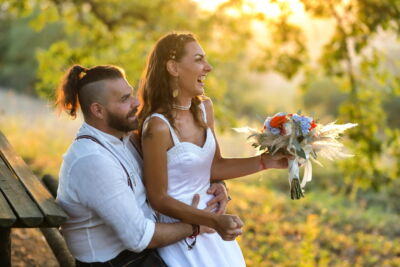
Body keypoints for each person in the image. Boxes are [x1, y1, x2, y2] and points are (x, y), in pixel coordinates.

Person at [55, 64, 242, 266]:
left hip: (142, 252)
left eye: (131, 94)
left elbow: (182, 166)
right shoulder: (92, 160)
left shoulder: (124, 139)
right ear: (98, 110)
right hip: (117, 262)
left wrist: (219, 184)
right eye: (124, 99)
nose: (136, 102)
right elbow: (140, 238)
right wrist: (198, 225)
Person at [138, 32, 292, 267]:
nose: (208, 67)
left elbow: (215, 166)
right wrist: (210, 221)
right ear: (173, 67)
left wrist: (265, 162)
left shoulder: (204, 109)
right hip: (181, 233)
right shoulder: (158, 126)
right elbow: (158, 198)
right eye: (199, 59)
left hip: (213, 229)